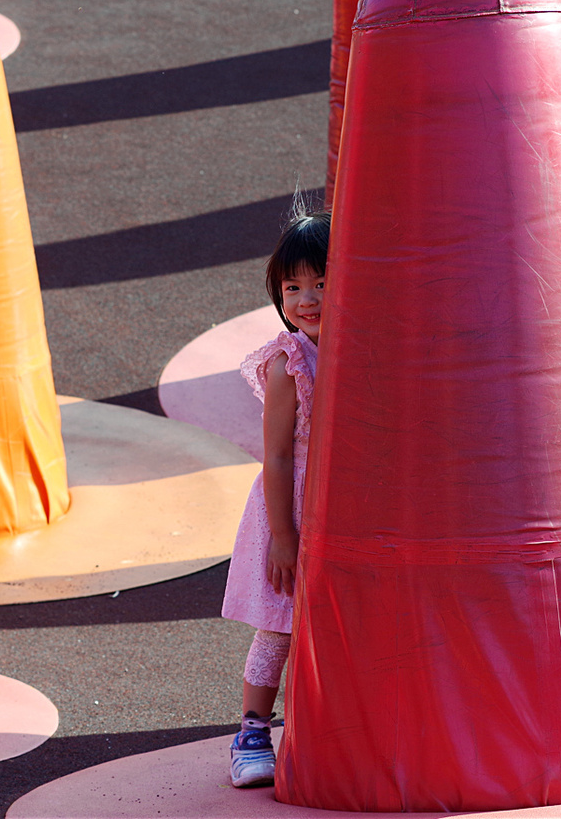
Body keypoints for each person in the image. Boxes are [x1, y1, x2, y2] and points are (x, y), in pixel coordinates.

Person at [221, 206, 330, 788]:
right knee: (280, 624)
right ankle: (252, 732)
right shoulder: (290, 362)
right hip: (288, 510)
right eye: (294, 286)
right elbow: (279, 455)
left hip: (339, 514)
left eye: (321, 282)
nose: (307, 298)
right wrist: (284, 538)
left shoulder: (364, 348)